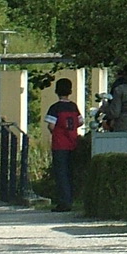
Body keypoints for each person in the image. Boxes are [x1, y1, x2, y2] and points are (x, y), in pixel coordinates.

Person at [44, 78, 82, 212]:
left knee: (61, 173)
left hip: (60, 144)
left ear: (56, 91)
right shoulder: (73, 106)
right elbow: (80, 122)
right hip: (73, 142)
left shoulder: (55, 108)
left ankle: (64, 202)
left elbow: (51, 125)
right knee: (70, 172)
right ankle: (71, 198)